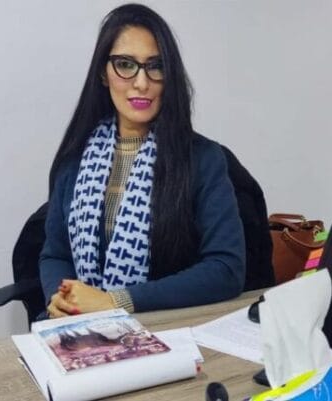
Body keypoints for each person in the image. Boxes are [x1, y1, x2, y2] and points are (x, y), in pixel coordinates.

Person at [39, 3, 245, 319]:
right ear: (103, 73)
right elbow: (55, 255)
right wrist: (62, 298)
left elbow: (226, 269)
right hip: (83, 327)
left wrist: (116, 301)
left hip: (170, 328)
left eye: (156, 66)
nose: (141, 83)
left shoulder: (203, 160)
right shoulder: (74, 160)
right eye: (125, 64)